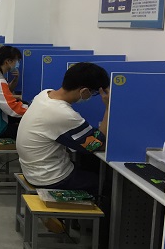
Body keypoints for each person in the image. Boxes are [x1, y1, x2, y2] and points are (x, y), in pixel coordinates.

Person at [15, 62, 110, 198]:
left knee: (88, 164)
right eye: (93, 93)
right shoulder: (63, 114)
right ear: (84, 91)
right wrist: (108, 107)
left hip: (32, 169)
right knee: (103, 184)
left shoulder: (44, 94)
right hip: (48, 177)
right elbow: (98, 145)